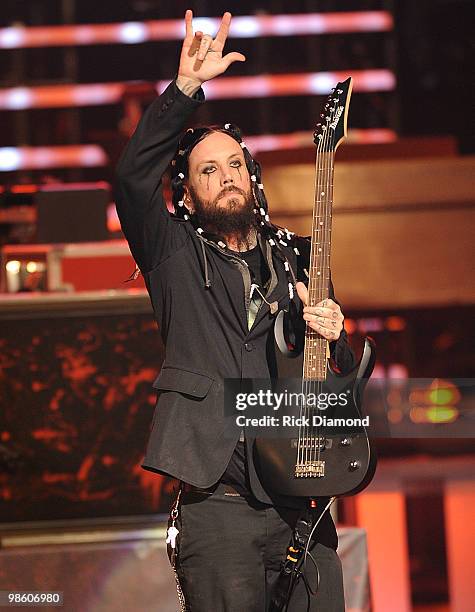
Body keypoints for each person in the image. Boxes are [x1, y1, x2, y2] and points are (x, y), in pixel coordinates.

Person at [115, 10, 356, 611]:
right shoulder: (171, 252)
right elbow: (132, 178)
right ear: (188, 193)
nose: (227, 177)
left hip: (303, 498)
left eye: (235, 165)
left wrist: (338, 335)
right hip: (218, 505)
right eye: (207, 170)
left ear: (253, 175)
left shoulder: (297, 259)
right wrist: (185, 90)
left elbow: (337, 374)